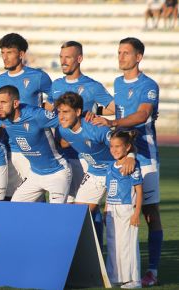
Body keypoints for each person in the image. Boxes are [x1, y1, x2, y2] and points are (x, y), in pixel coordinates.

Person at [91, 37, 163, 287]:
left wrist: (112, 123)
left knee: (149, 212)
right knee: (117, 209)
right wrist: (98, 114)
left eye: (126, 53)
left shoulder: (149, 85)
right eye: (119, 52)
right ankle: (120, 270)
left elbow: (142, 114)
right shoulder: (118, 83)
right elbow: (119, 110)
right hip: (124, 155)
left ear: (138, 57)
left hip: (145, 156)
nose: (120, 57)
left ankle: (152, 270)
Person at [55, 92, 135, 249]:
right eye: (59, 112)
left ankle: (122, 267)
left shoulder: (96, 129)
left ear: (78, 112)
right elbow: (65, 143)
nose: (61, 116)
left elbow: (121, 141)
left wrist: (131, 155)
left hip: (115, 174)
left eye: (66, 112)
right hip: (94, 174)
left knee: (116, 224)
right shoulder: (63, 129)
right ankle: (87, 260)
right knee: (77, 217)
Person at [44, 41, 115, 204]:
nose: (63, 61)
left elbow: (116, 109)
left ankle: (95, 230)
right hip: (63, 152)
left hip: (85, 156)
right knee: (70, 203)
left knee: (89, 205)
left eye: (68, 57)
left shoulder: (93, 86)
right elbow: (48, 112)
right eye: (61, 57)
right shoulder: (56, 85)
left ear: (79, 58)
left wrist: (96, 113)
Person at [0, 33, 52, 199]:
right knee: (11, 196)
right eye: (2, 52)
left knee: (35, 196)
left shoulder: (38, 77)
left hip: (34, 148)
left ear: (21, 54)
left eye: (9, 52)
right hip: (10, 146)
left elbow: (54, 101)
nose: (5, 57)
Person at [0, 85, 71, 203]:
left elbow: (65, 120)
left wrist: (64, 139)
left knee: (56, 214)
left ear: (15, 104)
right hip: (34, 174)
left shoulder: (36, 115)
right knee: (14, 208)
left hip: (57, 172)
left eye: (3, 102)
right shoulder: (3, 115)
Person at [105, 130, 143, 289]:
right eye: (112, 146)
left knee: (128, 245)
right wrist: (106, 208)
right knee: (114, 245)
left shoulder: (132, 165)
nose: (114, 149)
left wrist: (136, 213)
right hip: (111, 210)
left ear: (127, 148)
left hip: (127, 208)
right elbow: (108, 190)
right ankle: (115, 277)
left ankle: (134, 279)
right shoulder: (109, 166)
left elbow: (139, 191)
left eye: (118, 146)